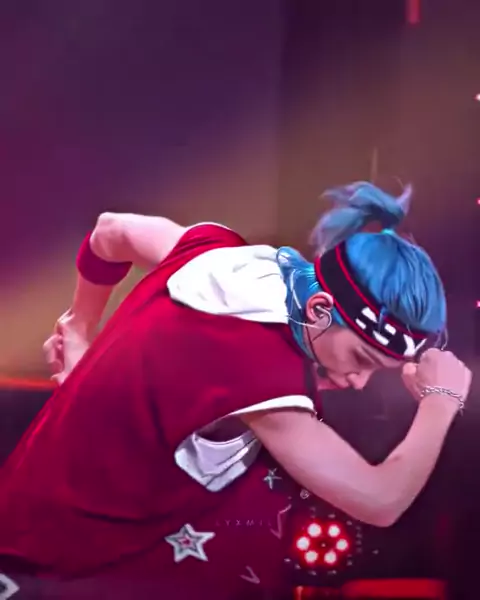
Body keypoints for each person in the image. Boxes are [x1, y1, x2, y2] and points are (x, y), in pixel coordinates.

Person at [0, 182, 470, 599]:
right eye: (360, 359)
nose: (359, 382)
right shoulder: (263, 379)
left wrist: (79, 325)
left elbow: (110, 232)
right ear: (320, 308)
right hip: (71, 566)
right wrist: (441, 400)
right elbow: (381, 500)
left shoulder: (214, 250)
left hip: (23, 517)